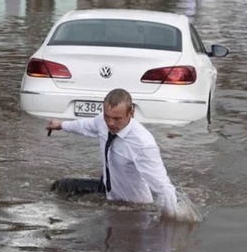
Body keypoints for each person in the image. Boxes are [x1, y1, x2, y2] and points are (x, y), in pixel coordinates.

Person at [46, 88, 178, 219]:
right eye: (107, 117)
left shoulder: (143, 144)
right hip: (109, 195)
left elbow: (163, 186)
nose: (110, 123)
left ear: (131, 113)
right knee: (60, 186)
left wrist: (172, 220)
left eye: (116, 118)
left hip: (134, 208)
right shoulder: (102, 122)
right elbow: (84, 126)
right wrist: (61, 125)